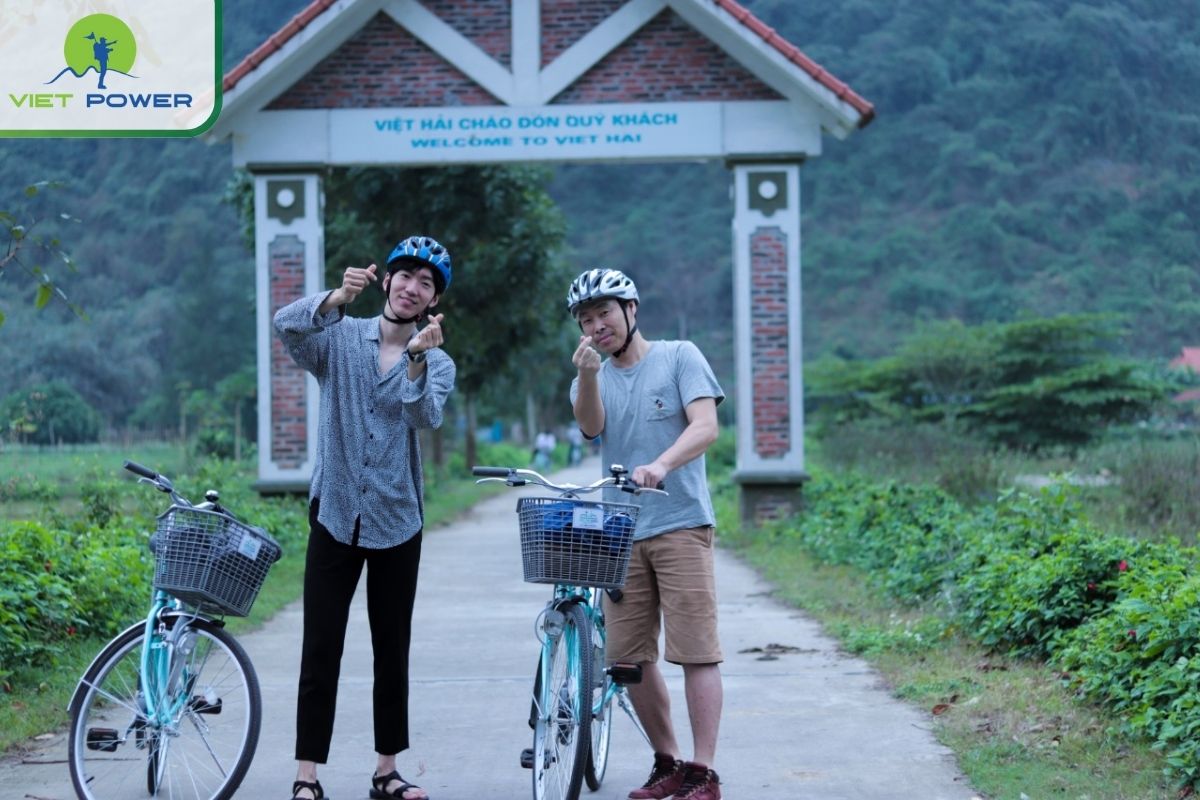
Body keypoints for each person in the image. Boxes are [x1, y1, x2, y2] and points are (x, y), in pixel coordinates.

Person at [273, 235, 456, 800]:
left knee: (390, 649)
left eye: (425, 284)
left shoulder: (439, 359)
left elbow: (424, 415)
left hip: (397, 520)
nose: (412, 288)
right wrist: (333, 297)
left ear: (432, 300)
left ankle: (386, 771)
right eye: (405, 276)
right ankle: (307, 776)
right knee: (320, 646)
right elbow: (286, 327)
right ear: (385, 281)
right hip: (335, 515)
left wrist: (418, 357)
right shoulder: (340, 338)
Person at [567, 268, 725, 800]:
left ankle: (704, 772)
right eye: (586, 320)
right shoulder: (589, 375)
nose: (597, 326)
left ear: (632, 309)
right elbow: (591, 427)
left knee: (696, 650)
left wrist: (660, 463)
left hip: (680, 522)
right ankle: (668, 762)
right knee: (628, 659)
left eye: (605, 313)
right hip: (620, 531)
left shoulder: (680, 356)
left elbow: (705, 426)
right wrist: (588, 376)